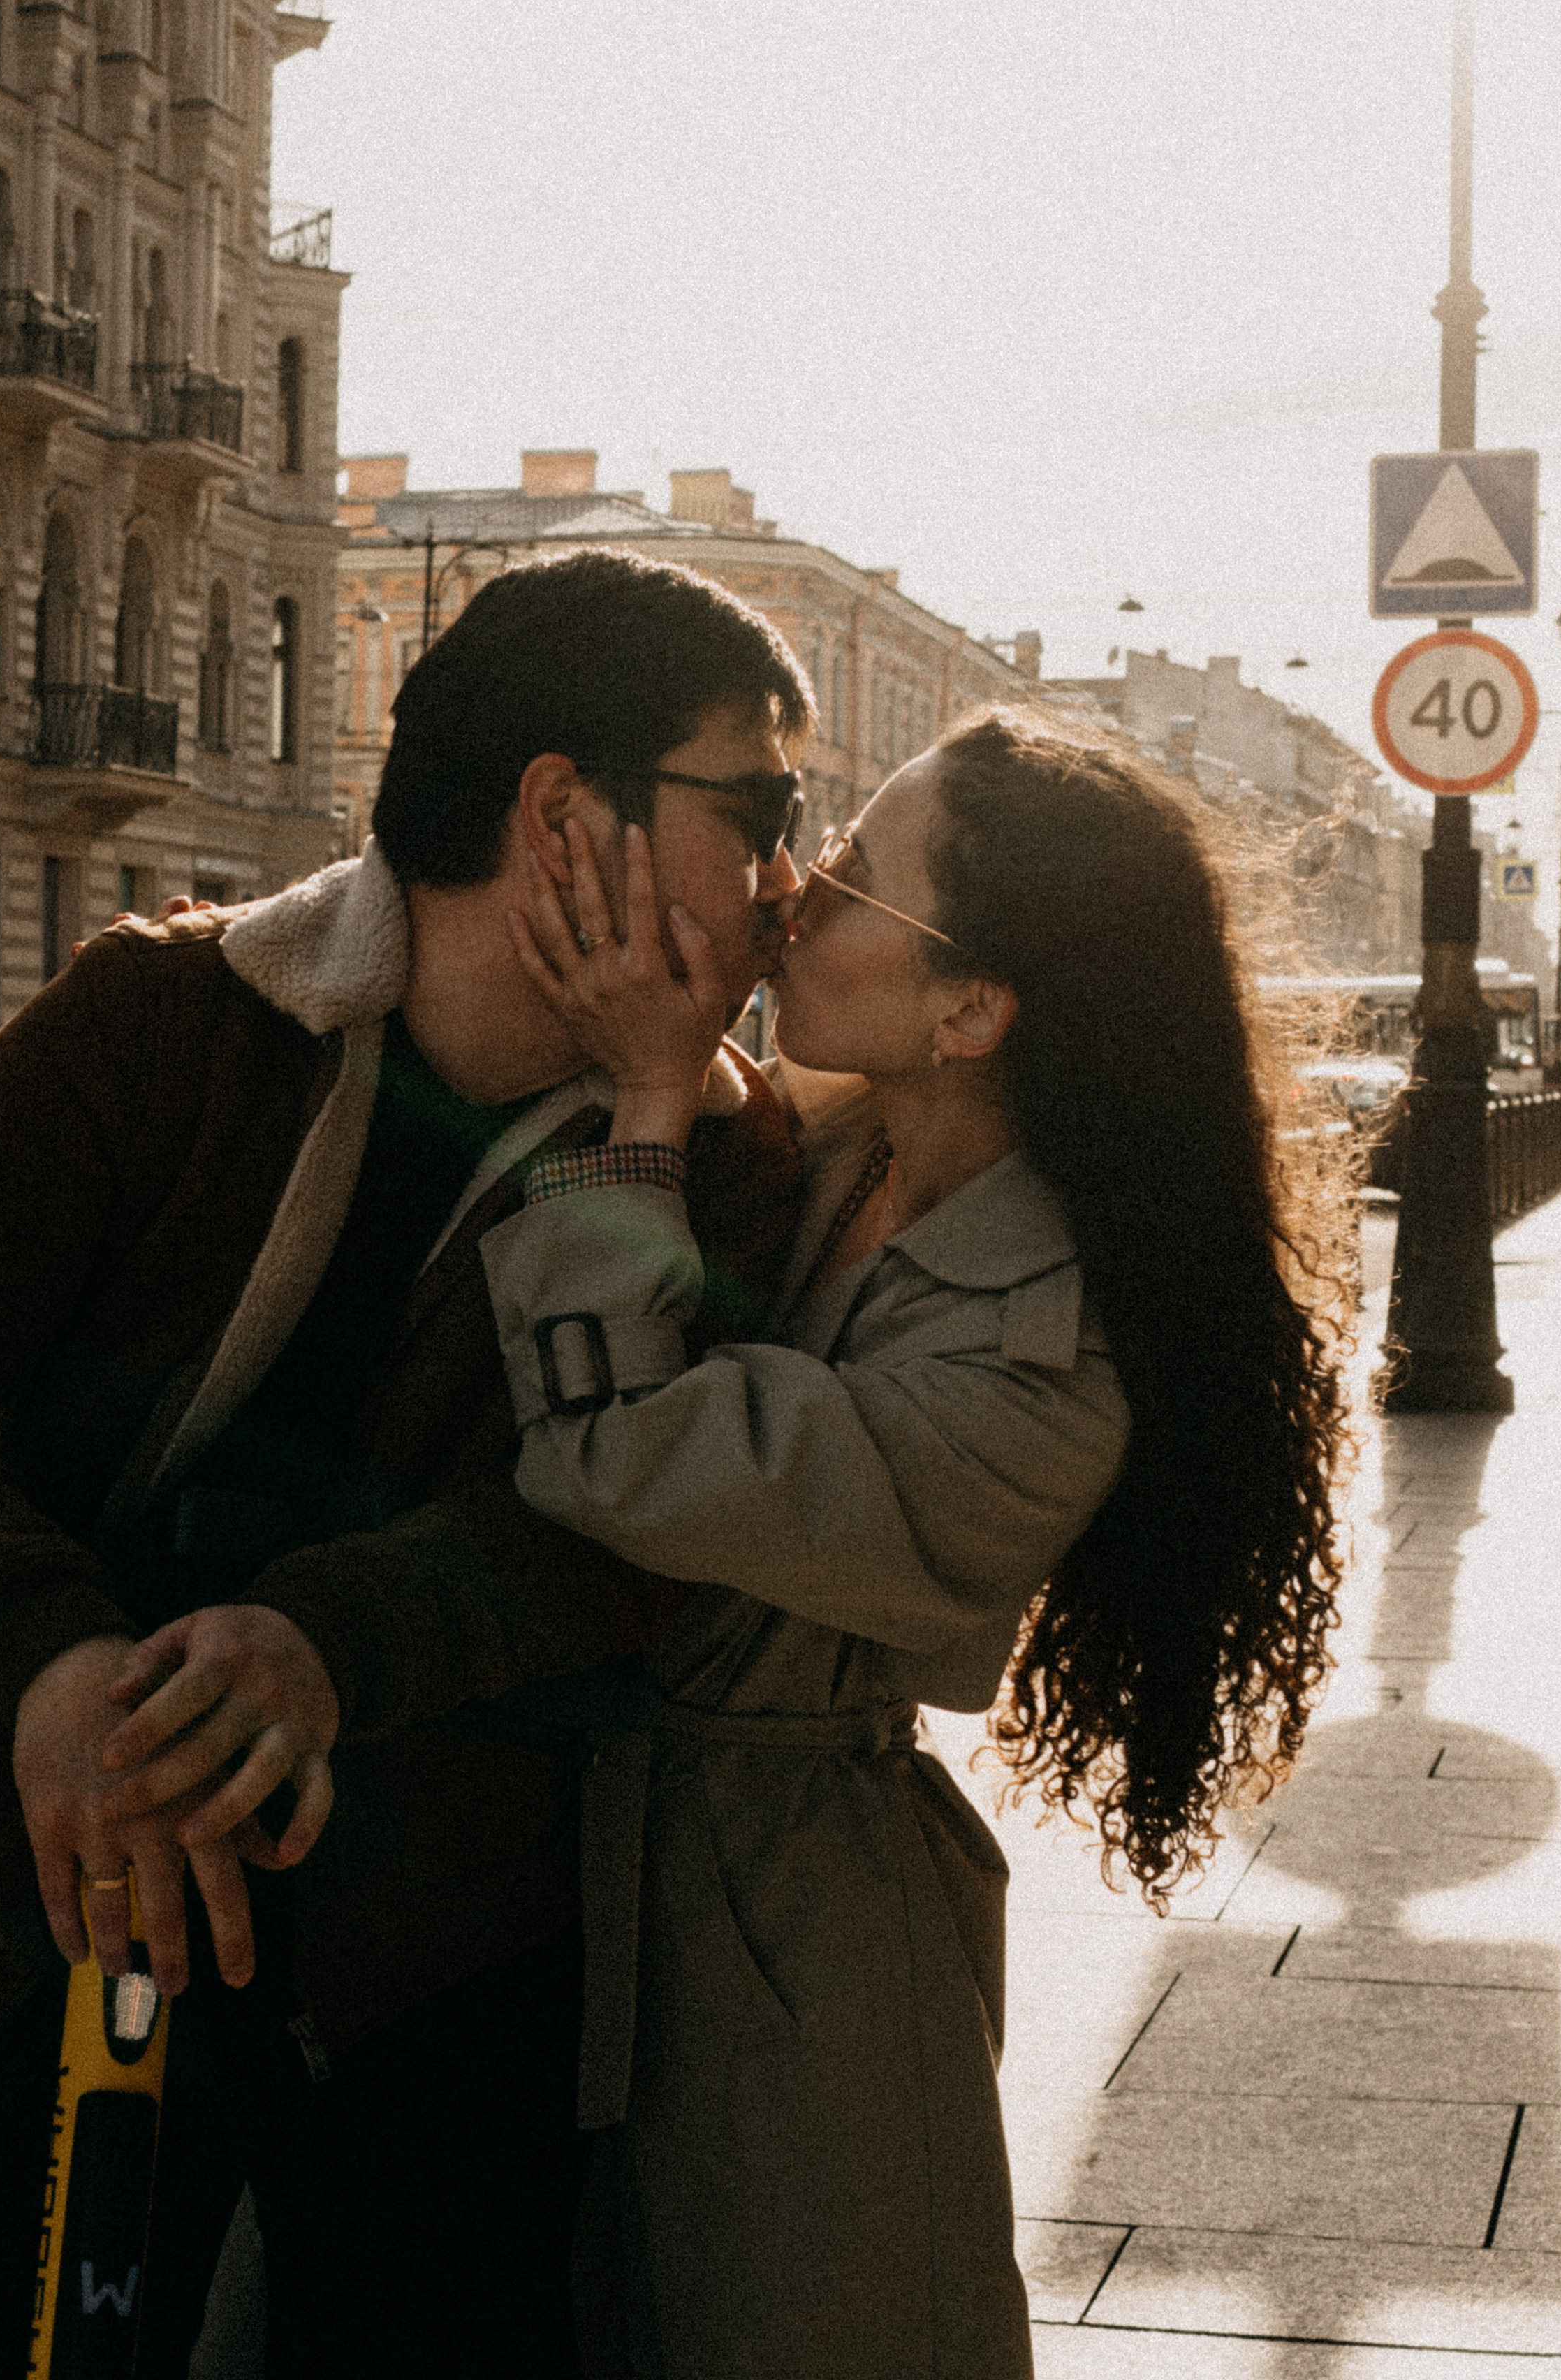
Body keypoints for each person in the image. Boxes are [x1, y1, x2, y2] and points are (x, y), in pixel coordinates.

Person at [0, 551, 812, 2379]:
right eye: (756, 809)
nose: (790, 881)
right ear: (562, 816)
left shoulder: (720, 1155)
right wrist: (38, 1656)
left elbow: (629, 1532)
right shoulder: (167, 1018)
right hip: (78, 1915)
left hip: (450, 1976)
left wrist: (322, 1646)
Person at [477, 708, 1351, 2379]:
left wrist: (654, 1096)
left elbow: (615, 1451)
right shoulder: (836, 1133)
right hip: (575, 1883)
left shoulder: (1052, 1363)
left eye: (858, 876)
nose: (795, 891)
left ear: (970, 1005)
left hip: (794, 1955)